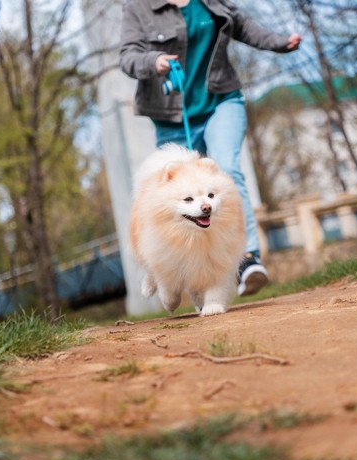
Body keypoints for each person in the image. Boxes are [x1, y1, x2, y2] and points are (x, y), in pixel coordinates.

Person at [120, 0, 301, 296]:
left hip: (221, 101)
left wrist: (280, 42)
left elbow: (242, 25)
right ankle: (179, 270)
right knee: (175, 193)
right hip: (172, 118)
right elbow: (128, 56)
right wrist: (153, 61)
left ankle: (247, 259)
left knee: (226, 171)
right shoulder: (138, 8)